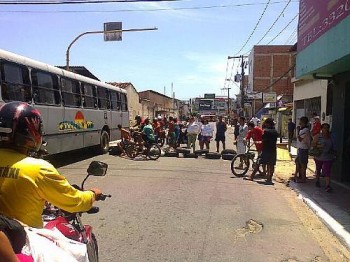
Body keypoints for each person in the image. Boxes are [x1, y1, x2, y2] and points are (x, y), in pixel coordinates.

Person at [0, 102, 103, 256]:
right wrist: (92, 194)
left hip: (5, 239)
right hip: (24, 242)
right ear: (31, 131)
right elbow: (74, 201)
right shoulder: (38, 169)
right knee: (75, 255)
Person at [245, 118, 278, 184]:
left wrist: (258, 142)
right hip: (273, 150)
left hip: (266, 149)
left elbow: (263, 140)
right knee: (271, 164)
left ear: (267, 124)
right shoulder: (275, 131)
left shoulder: (265, 131)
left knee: (258, 163)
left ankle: (251, 177)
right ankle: (269, 179)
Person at [312, 123, 336, 192]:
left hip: (328, 157)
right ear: (321, 129)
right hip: (319, 156)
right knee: (318, 169)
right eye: (324, 128)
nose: (326, 129)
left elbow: (334, 146)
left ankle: (327, 185)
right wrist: (319, 146)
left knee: (327, 171)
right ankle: (317, 180)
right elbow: (313, 145)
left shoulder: (331, 137)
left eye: (327, 128)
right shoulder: (318, 136)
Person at [294, 116, 311, 183]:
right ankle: (298, 175)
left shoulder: (305, 130)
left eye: (300, 121)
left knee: (303, 164)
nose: (299, 122)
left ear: (303, 122)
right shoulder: (302, 129)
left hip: (304, 149)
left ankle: (303, 178)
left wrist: (298, 131)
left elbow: (300, 139)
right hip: (300, 148)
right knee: (297, 162)